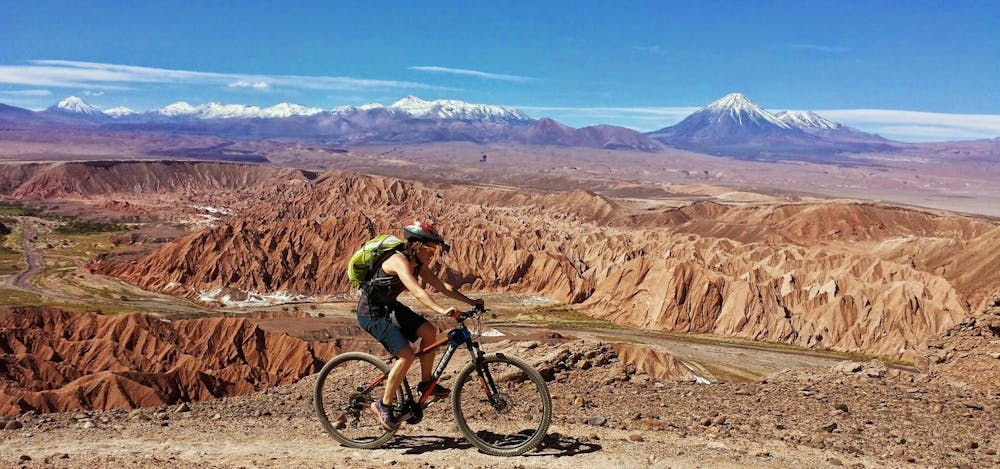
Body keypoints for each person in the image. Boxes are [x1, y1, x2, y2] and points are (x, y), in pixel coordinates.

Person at [356, 220, 483, 431]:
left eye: (434, 249)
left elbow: (442, 286)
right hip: (371, 313)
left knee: (429, 331)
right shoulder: (398, 261)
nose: (432, 254)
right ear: (416, 245)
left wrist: (472, 302)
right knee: (406, 355)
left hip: (389, 307)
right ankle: (383, 405)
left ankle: (426, 383)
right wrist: (441, 310)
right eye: (430, 248)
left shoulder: (418, 265)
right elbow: (417, 291)